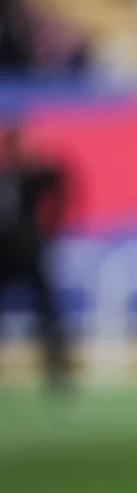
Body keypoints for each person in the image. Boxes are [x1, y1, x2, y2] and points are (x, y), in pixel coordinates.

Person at [0, 122, 71, 394]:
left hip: (30, 254)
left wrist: (51, 229)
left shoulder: (34, 175)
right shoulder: (6, 176)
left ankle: (58, 376)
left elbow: (58, 179)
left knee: (47, 316)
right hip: (4, 256)